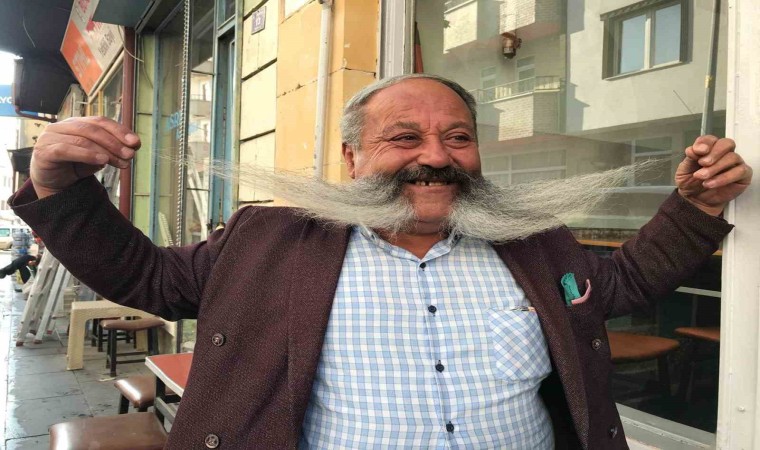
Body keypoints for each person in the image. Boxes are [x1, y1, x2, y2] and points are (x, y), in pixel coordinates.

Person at [10, 74, 752, 449]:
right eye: (404, 138)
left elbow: (623, 280)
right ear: (352, 156)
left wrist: (696, 206)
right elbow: (148, 277)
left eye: (458, 138)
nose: (437, 156)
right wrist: (59, 189)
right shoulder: (272, 240)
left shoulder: (534, 242)